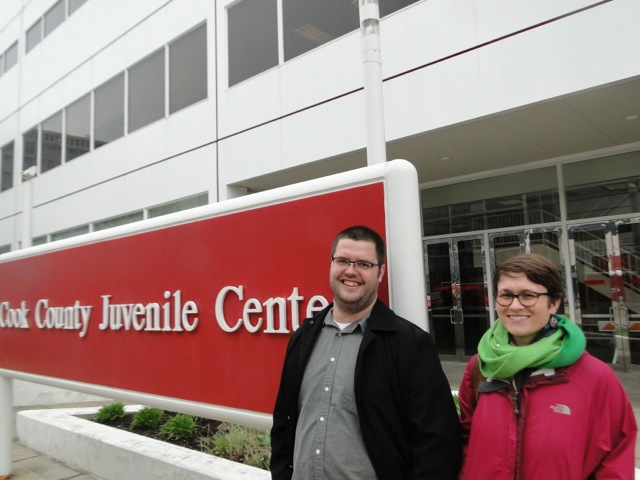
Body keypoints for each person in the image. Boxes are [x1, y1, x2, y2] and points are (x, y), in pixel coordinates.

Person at [270, 225, 462, 480]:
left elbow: (437, 444)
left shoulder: (410, 345)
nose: (351, 271)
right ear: (331, 264)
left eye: (364, 264)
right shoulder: (303, 337)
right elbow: (283, 422)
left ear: (380, 272)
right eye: (342, 261)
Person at [458, 253, 638, 479]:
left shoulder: (594, 377)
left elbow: (615, 458)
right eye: (506, 295)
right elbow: (465, 439)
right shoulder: (480, 367)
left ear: (554, 303)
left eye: (528, 295)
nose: (515, 306)